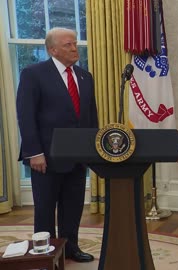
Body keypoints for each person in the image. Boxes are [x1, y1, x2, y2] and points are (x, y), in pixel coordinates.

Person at [16, 27, 98, 263]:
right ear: (52, 49)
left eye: (75, 44)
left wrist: (92, 149)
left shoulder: (85, 76)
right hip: (46, 156)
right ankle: (46, 254)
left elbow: (90, 116)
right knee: (45, 209)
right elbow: (26, 116)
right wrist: (34, 152)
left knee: (73, 206)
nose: (75, 48)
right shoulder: (34, 74)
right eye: (68, 45)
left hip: (78, 154)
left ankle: (71, 247)